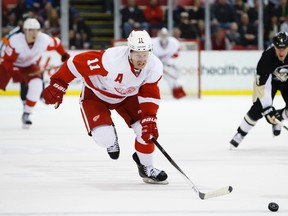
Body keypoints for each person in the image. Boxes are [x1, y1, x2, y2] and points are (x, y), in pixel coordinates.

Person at [41, 30, 168, 184]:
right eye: (137, 55)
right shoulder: (111, 60)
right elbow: (76, 62)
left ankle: (146, 167)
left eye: (145, 54)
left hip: (127, 97)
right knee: (104, 138)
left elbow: (149, 93)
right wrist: (59, 82)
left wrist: (149, 118)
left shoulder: (154, 66)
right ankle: (111, 139)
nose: (141, 60)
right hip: (96, 95)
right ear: (129, 51)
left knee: (146, 130)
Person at [0, 18, 70, 128]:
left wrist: (64, 54)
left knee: (37, 84)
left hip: (29, 65)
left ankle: (27, 113)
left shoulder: (44, 39)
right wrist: (15, 71)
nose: (34, 33)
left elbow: (57, 43)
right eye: (31, 30)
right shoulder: (15, 41)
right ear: (25, 31)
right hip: (12, 65)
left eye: (36, 30)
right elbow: (7, 61)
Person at [230, 32, 288, 149]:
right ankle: (240, 134)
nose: (281, 52)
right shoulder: (267, 57)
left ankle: (279, 118)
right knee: (258, 108)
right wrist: (267, 108)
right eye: (278, 49)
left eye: (284, 49)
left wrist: (274, 115)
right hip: (269, 82)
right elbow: (263, 86)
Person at [152, 27, 186, 99]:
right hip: (156, 66)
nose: (164, 36)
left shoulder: (174, 42)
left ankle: (176, 93)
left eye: (165, 35)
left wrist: (167, 59)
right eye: (162, 35)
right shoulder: (153, 42)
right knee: (152, 80)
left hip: (168, 65)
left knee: (172, 79)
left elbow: (177, 54)